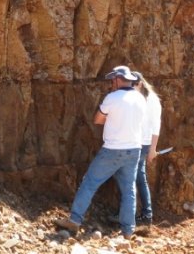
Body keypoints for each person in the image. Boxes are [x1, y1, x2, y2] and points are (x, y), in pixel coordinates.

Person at [55, 65, 147, 239]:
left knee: (90, 182)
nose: (111, 83)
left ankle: (74, 221)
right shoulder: (140, 99)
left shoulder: (112, 98)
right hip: (134, 150)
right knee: (129, 190)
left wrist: (112, 117)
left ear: (118, 79)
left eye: (113, 80)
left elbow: (98, 119)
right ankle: (128, 231)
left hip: (113, 150)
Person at [109, 70, 162, 229]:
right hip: (137, 143)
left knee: (127, 177)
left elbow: (156, 125)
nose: (130, 87)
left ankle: (129, 216)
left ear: (139, 83)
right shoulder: (139, 98)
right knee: (139, 178)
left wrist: (153, 149)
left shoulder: (150, 99)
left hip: (141, 144)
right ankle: (145, 215)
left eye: (133, 84)